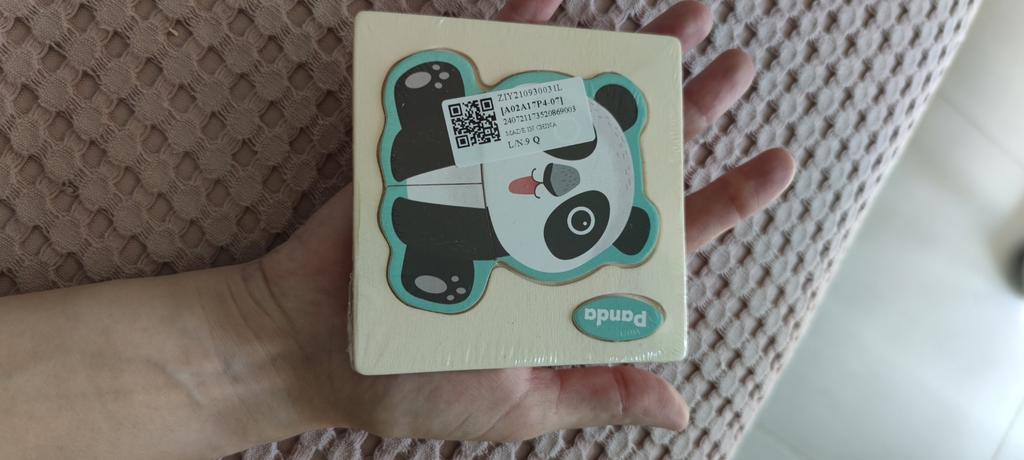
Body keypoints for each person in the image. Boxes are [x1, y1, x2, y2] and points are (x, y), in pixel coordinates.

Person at [0, 1, 795, 458]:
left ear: (618, 239)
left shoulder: (588, 232)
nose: (557, 181)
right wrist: (281, 346)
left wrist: (289, 352)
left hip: (459, 242)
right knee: (433, 138)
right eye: (575, 157)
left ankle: (424, 261)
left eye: (579, 214)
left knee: (438, 233)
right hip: (442, 158)